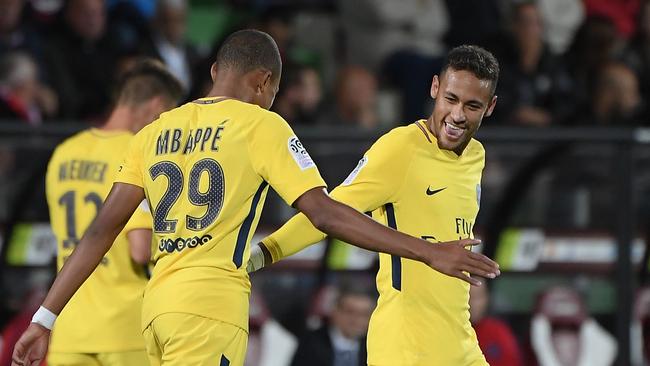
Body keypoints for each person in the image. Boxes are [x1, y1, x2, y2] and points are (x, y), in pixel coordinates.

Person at [11, 30, 499, 366]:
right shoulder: (261, 125)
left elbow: (100, 229)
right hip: (209, 307)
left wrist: (43, 317)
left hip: (155, 308)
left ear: (216, 69)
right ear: (264, 84)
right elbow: (326, 210)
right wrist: (430, 251)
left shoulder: (156, 129)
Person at [249, 45, 501, 365]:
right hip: (407, 347)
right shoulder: (401, 148)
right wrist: (260, 256)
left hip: (460, 341)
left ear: (490, 107)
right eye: (451, 99)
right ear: (435, 87)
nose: (457, 115)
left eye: (472, 106)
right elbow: (327, 211)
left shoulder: (476, 156)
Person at [44, 58, 183, 366]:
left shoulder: (64, 152)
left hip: (68, 326)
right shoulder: (136, 152)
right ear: (156, 106)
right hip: (124, 329)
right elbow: (139, 249)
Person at [291, 285, 374, 366]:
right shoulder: (311, 343)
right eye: (350, 312)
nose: (356, 320)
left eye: (364, 314)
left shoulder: (375, 346)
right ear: (335, 311)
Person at [469, 280, 522, 366]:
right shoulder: (450, 331)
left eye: (478, 297)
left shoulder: (499, 332)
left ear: (487, 298)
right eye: (468, 297)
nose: (472, 303)